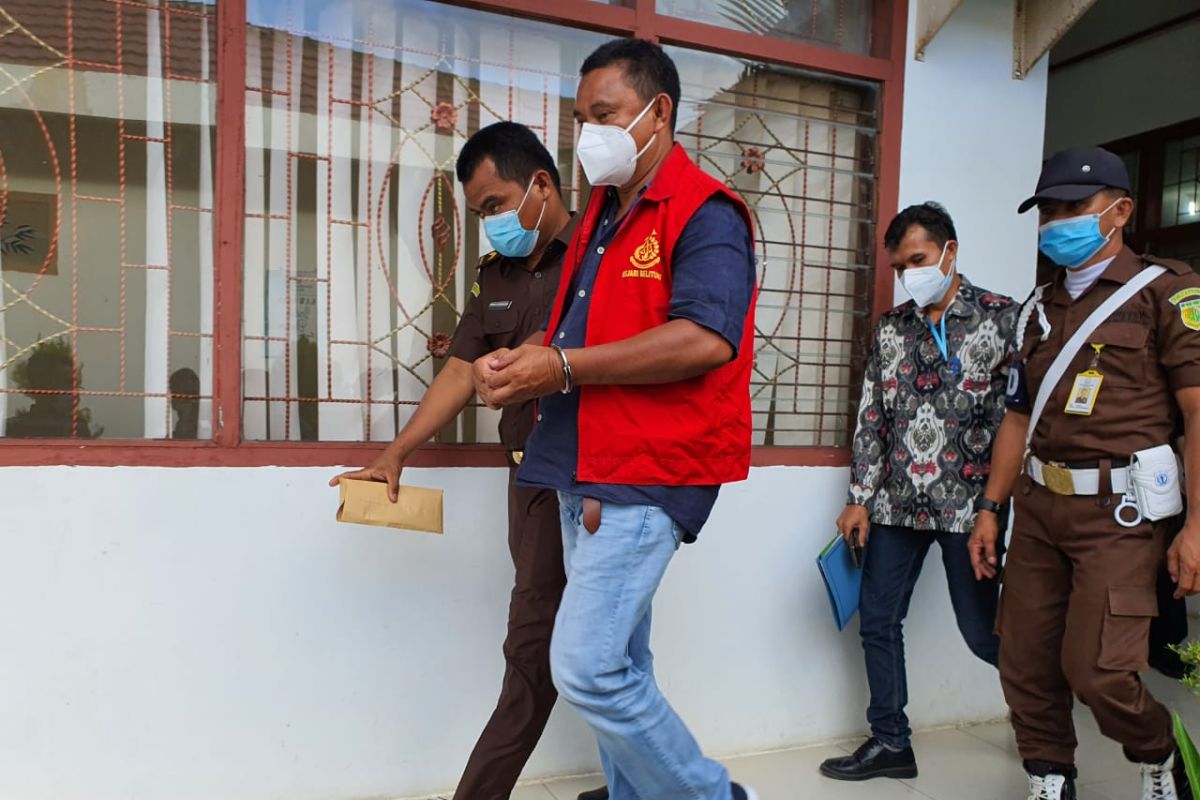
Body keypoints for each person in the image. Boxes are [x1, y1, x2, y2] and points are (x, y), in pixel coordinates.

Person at [471, 38, 759, 800]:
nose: (588, 133)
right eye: (580, 118)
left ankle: (714, 796)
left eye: (606, 115)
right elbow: (573, 327)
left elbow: (706, 337)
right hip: (580, 461)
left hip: (645, 468)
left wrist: (560, 368)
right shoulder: (603, 209)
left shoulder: (706, 213)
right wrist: (525, 357)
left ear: (659, 113)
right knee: (622, 666)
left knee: (588, 668)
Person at [329, 121, 606, 800]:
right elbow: (458, 371)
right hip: (532, 479)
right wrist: (395, 455)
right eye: (480, 212)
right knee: (578, 646)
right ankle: (643, 779)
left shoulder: (604, 253)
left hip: (600, 480)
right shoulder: (498, 277)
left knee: (542, 648)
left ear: (541, 184)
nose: (491, 224)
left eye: (495, 205)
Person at [968, 146, 1200, 800]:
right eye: (1048, 210)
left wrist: (1198, 528)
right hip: (1040, 506)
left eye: (1073, 208)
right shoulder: (1037, 310)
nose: (1056, 222)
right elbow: (1017, 417)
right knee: (1023, 658)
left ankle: (1161, 751)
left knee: (1099, 669)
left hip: (1120, 516)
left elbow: (1196, 411)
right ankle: (1050, 776)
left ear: (1120, 211)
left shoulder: (1167, 293)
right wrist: (991, 508)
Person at [819, 202, 1018, 782]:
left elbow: (1019, 420)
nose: (909, 275)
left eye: (918, 260)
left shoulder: (1003, 320)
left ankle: (1048, 738)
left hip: (970, 511)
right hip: (897, 504)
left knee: (986, 636)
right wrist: (859, 495)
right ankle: (890, 742)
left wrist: (996, 507)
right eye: (900, 267)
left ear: (950, 251)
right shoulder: (890, 329)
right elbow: (873, 418)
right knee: (877, 621)